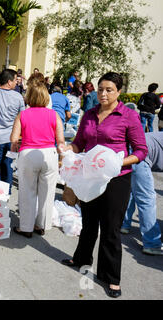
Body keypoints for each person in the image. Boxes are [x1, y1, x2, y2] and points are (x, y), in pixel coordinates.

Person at [60, 72, 148, 298]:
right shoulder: (89, 114)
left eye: (109, 89)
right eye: (100, 89)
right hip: (90, 176)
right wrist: (67, 151)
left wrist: (118, 162)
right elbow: (80, 143)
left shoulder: (128, 116)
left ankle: (110, 277)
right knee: (88, 222)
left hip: (116, 178)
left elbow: (140, 151)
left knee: (110, 228)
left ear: (119, 92)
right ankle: (81, 258)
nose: (103, 94)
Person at [11, 81, 65, 238]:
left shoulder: (23, 114)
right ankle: (41, 224)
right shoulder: (53, 114)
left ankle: (26, 227)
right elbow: (60, 141)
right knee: (47, 192)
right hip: (49, 154)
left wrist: (17, 145)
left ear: (29, 97)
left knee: (27, 191)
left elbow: (14, 138)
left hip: (29, 153)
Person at [120, 131, 163, 255]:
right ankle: (152, 243)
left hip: (133, 151)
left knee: (134, 191)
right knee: (146, 198)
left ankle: (124, 224)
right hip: (139, 155)